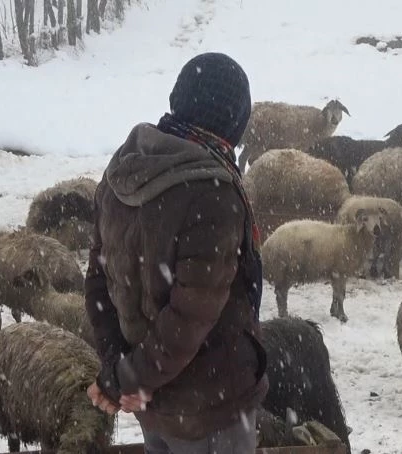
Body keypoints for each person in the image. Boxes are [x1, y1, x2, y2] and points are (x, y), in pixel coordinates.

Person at [84, 52, 268, 454]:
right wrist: (130, 378)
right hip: (212, 404)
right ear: (234, 120)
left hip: (154, 404)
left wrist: (122, 373)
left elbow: (100, 284)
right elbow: (193, 314)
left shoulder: (123, 173)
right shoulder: (214, 194)